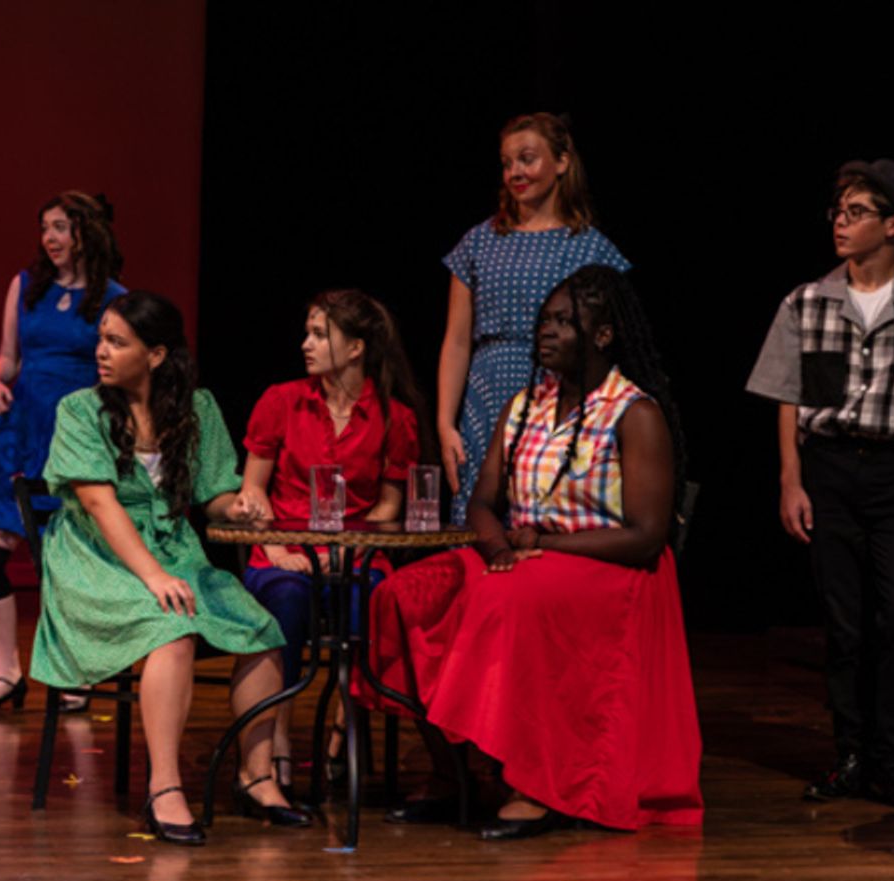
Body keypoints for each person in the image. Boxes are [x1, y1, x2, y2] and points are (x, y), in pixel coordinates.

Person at [359, 265, 703, 838]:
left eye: (565, 322)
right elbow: (483, 501)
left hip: (610, 565)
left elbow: (646, 534)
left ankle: (533, 786)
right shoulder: (525, 406)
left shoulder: (634, 413)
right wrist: (495, 547)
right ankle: (454, 773)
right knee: (403, 594)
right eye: (545, 319)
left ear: (602, 336)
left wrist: (537, 545)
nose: (546, 331)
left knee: (508, 598)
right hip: (521, 556)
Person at [30, 290, 311, 844]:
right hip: (96, 558)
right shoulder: (80, 410)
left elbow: (214, 496)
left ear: (156, 355)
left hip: (175, 551)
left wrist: (242, 507)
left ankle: (256, 775)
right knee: (173, 629)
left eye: (117, 341)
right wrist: (152, 577)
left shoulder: (197, 408)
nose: (102, 353)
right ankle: (165, 788)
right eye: (102, 340)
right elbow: (98, 504)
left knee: (261, 629)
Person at [746, 159, 894, 811]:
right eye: (838, 212)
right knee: (845, 623)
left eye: (856, 213)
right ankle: (851, 753)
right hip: (828, 469)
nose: (841, 224)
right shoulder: (807, 301)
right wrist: (791, 481)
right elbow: (788, 398)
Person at [238, 289, 422, 796]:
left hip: (354, 553)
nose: (306, 344)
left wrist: (351, 550)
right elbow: (253, 487)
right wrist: (275, 546)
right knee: (288, 600)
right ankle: (277, 738)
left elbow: (388, 508)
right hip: (284, 550)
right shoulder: (282, 401)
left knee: (372, 601)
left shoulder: (395, 417)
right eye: (308, 332)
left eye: (320, 334)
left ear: (357, 347)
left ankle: (346, 728)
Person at [0, 192, 125, 713]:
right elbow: (9, 358)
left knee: (65, 566)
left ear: (86, 233)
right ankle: (7, 673)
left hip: (74, 440)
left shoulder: (113, 299)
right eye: (45, 228)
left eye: (61, 227)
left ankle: (76, 672)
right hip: (23, 435)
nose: (50, 238)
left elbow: (117, 372)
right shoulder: (26, 287)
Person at [437, 113, 630, 525]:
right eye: (507, 163)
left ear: (562, 162)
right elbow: (456, 341)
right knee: (479, 519)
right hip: (486, 396)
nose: (515, 173)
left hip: (557, 394)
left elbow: (612, 344)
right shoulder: (479, 241)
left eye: (527, 159)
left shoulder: (590, 249)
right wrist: (444, 423)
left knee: (540, 511)